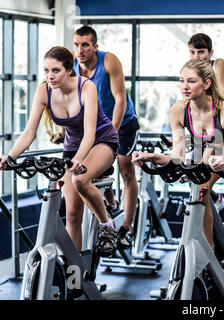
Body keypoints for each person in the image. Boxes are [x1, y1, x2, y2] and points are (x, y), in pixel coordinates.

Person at [132, 59, 224, 300]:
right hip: (214, 151)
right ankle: (210, 256)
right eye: (181, 80)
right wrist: (153, 157)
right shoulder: (178, 110)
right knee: (199, 195)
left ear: (206, 84)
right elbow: (178, 157)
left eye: (190, 81)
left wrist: (220, 162)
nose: (184, 86)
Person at [0, 46, 119, 256]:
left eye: (55, 70)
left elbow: (90, 133)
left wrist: (79, 161)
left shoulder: (86, 87)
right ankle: (76, 272)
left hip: (102, 141)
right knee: (72, 214)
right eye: (46, 70)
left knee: (79, 180)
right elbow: (29, 132)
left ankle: (107, 225)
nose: (50, 76)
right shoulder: (43, 90)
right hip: (72, 147)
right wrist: (10, 156)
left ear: (70, 69)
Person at [73, 26, 140, 249]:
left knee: (125, 170)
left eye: (85, 45)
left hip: (123, 123)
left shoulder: (109, 61)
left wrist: (110, 134)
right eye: (76, 45)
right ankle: (110, 203)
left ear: (95, 47)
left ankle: (126, 229)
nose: (80, 50)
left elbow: (120, 99)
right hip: (97, 125)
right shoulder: (72, 67)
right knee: (93, 165)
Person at [188, 33, 224, 211]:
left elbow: (220, 102)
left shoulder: (219, 65)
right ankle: (209, 233)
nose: (196, 57)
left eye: (201, 52)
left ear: (210, 52)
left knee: (202, 185)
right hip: (204, 134)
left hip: (222, 131)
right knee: (198, 187)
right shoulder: (191, 73)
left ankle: (217, 200)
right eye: (192, 52)